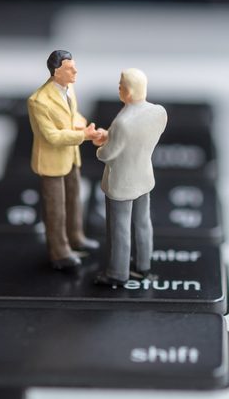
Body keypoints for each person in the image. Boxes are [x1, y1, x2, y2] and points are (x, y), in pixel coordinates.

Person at [27, 49, 102, 270]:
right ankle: (59, 252)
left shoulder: (69, 88)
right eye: (70, 68)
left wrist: (86, 127)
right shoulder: (38, 101)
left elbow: (72, 116)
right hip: (51, 162)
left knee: (74, 199)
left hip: (71, 156)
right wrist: (83, 136)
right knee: (55, 209)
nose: (75, 71)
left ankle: (76, 237)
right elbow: (51, 136)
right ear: (56, 71)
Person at [92, 68, 167, 287]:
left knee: (120, 230)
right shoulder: (158, 112)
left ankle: (117, 273)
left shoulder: (123, 122)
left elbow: (107, 154)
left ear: (128, 91)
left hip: (122, 184)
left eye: (120, 85)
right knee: (144, 223)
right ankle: (143, 266)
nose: (119, 88)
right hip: (144, 178)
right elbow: (137, 139)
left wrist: (102, 144)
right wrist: (110, 136)